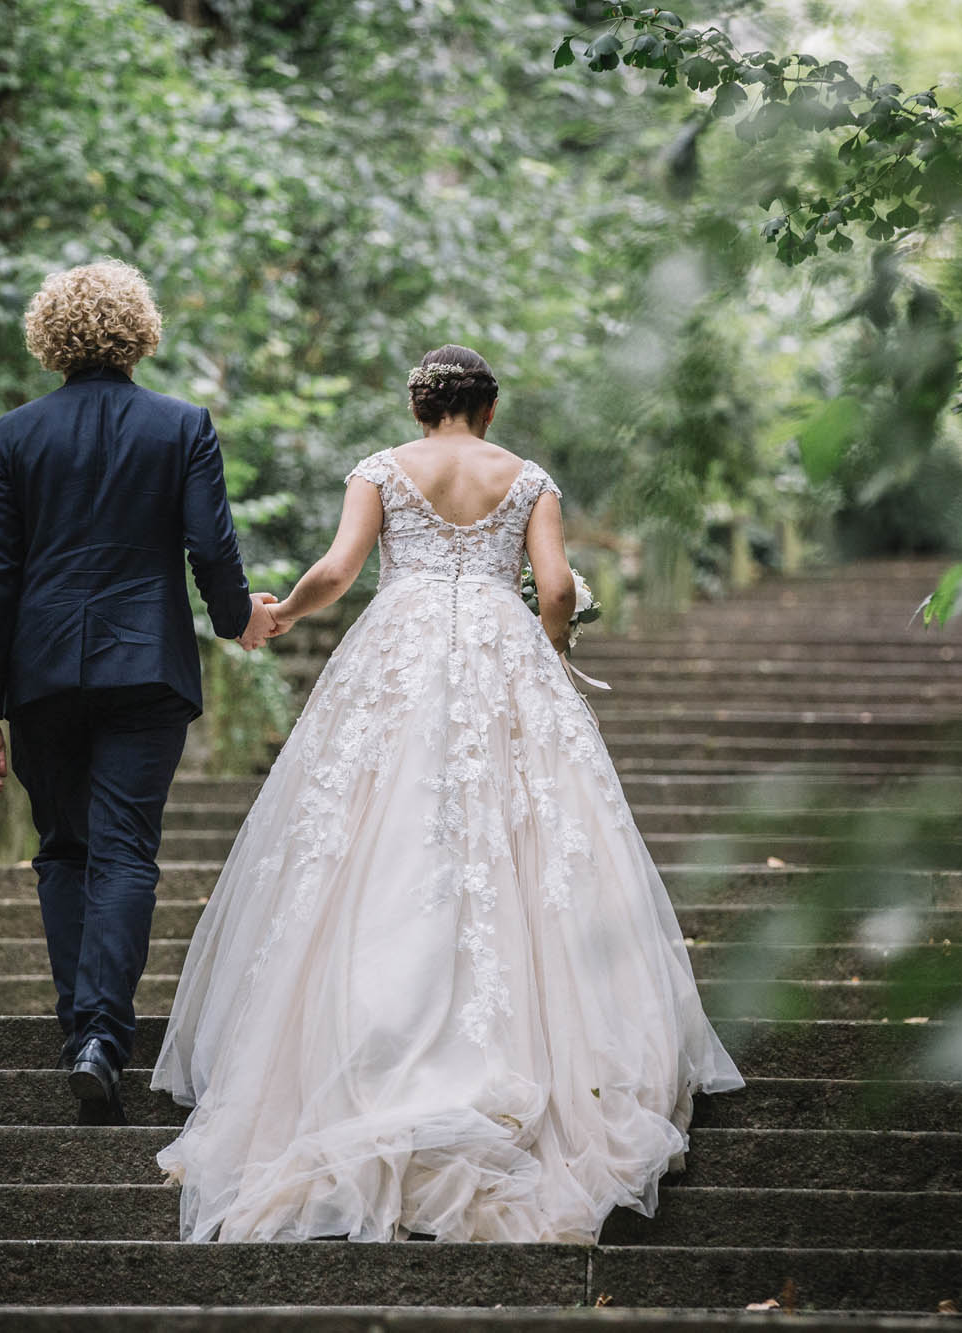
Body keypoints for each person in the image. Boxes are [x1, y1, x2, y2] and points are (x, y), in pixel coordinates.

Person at [151, 343, 744, 1243]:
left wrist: (277, 615)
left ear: (418, 406)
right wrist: (551, 647)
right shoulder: (527, 478)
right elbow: (554, 587)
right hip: (505, 655)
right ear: (490, 408)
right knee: (527, 837)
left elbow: (340, 571)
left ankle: (368, 1048)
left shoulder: (382, 471)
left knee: (377, 829)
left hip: (401, 651)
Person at [0, 258, 277, 1124]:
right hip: (146, 668)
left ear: (49, 336)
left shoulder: (15, 436)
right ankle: (104, 1036)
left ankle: (85, 1035)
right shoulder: (181, 425)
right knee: (126, 850)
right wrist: (238, 619)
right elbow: (210, 546)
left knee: (65, 848)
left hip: (42, 672)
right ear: (141, 331)